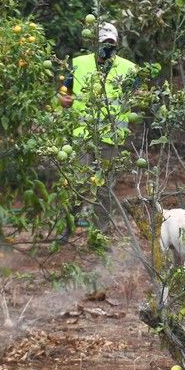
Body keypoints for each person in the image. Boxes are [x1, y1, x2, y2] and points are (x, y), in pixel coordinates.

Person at [57, 22, 138, 240]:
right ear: (94, 43)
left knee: (104, 190)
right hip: (82, 134)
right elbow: (63, 93)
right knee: (79, 183)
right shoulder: (78, 64)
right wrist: (62, 99)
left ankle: (99, 235)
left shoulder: (129, 69)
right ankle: (67, 229)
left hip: (111, 138)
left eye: (111, 43)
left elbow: (138, 98)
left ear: (117, 43)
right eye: (104, 43)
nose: (107, 47)